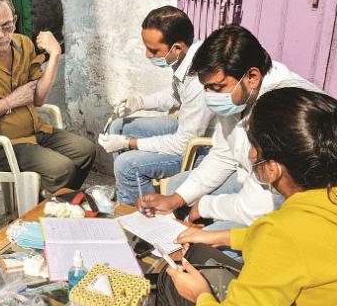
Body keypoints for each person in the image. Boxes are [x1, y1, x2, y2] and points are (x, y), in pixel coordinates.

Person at [155, 87, 337, 306]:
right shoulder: (329, 201)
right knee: (197, 251)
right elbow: (312, 247)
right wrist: (218, 236)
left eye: (253, 145)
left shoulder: (284, 232)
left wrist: (201, 296)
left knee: (170, 276)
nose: (250, 154)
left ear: (272, 168)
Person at [136, 25, 318, 233]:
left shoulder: (281, 110)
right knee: (178, 188)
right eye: (206, 87)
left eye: (217, 87)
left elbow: (262, 203)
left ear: (252, 77)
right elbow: (223, 154)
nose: (210, 95)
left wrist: (206, 207)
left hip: (290, 205)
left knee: (205, 243)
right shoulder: (239, 95)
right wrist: (176, 199)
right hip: (254, 181)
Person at [0, 0, 96, 192]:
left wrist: (54, 55)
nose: (0, 35)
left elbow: (38, 99)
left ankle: (50, 200)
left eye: (6, 26)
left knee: (85, 151)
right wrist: (8, 102)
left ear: (15, 21)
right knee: (61, 168)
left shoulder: (23, 44)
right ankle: (44, 207)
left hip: (33, 131)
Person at [98, 6, 214, 204]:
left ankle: (148, 217)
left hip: (201, 148)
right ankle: (129, 195)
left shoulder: (198, 79)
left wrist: (129, 143)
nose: (147, 55)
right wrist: (139, 103)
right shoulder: (185, 55)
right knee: (119, 127)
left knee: (127, 165)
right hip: (189, 129)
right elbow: (175, 95)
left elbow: (182, 145)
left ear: (176, 48)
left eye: (153, 50)